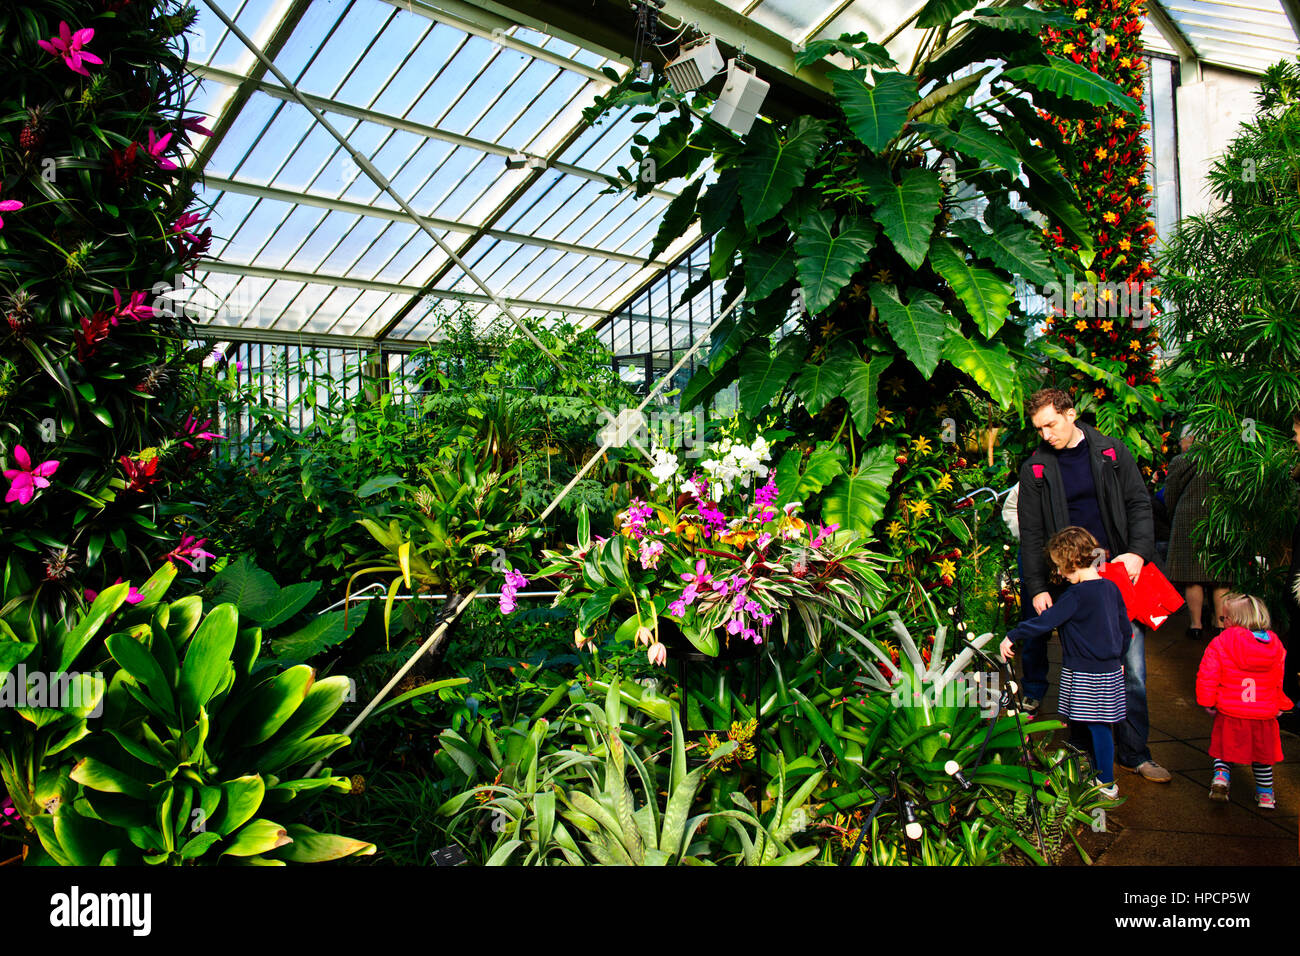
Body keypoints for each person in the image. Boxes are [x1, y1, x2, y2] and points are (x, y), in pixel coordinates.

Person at [1016, 387, 1171, 783]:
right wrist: (1037, 588)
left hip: (1117, 576)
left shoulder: (1112, 452)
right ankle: (1084, 758)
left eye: (1050, 424)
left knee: (1131, 668)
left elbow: (1139, 503)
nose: (1045, 434)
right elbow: (1032, 534)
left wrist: (1138, 552)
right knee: (1079, 671)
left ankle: (1135, 753)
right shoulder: (1035, 468)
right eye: (1039, 428)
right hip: (1069, 579)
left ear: (1070, 414)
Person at [1001, 526, 1130, 797]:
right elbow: (1124, 629)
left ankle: (1106, 783)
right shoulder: (1110, 588)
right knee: (1098, 724)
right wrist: (1119, 658)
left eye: (1060, 567)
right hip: (1110, 669)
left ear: (1072, 561)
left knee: (1097, 726)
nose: (1058, 573)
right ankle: (1092, 770)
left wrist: (1013, 635)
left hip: (1086, 671)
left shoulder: (1076, 596)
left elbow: (1044, 622)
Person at [1195, 593, 1292, 807]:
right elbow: (1279, 678)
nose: (1223, 622)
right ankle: (1266, 795)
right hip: (1263, 714)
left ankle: (1221, 779)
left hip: (1230, 710)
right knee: (1262, 756)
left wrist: (1207, 701)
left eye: (1224, 618)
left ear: (1235, 621)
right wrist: (1280, 704)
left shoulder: (1222, 642)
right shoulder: (1275, 646)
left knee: (1223, 748)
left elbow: (1208, 674)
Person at [1164, 428, 1226, 641]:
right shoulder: (1222, 459)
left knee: (1193, 579)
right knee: (1220, 578)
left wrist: (1173, 515)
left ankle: (1195, 625)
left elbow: (1170, 493)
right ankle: (1220, 625)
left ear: (1191, 439)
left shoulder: (1181, 462)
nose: (1181, 445)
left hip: (1187, 522)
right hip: (1218, 521)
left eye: (1182, 440)